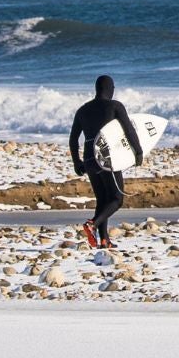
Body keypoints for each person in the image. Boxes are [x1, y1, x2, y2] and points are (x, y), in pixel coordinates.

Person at [69, 74, 143, 247]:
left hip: (89, 159)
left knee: (102, 200)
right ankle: (92, 224)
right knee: (117, 199)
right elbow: (129, 130)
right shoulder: (115, 106)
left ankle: (104, 240)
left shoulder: (82, 110)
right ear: (111, 89)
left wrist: (77, 162)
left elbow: (73, 139)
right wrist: (138, 152)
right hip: (107, 157)